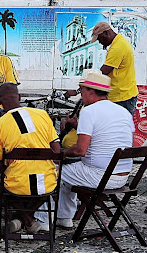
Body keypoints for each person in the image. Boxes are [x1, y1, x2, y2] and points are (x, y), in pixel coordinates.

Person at [55, 70, 134, 228]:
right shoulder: (124, 112)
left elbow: (80, 151)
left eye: (82, 91)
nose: (81, 96)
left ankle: (42, 220)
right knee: (70, 171)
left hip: (100, 177)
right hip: (123, 176)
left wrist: (60, 153)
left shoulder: (89, 111)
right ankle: (64, 217)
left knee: (51, 172)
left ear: (91, 91)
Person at [0, 83, 61, 233]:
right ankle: (27, 218)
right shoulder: (42, 115)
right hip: (47, 181)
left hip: (17, 183)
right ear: (20, 97)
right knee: (42, 187)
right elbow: (57, 152)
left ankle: (24, 218)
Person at [66, 22, 138, 116]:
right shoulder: (118, 42)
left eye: (99, 39)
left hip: (122, 98)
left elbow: (102, 74)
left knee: (115, 128)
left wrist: (79, 91)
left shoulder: (118, 47)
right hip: (120, 95)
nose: (99, 42)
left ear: (106, 33)